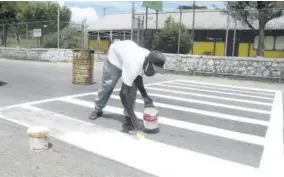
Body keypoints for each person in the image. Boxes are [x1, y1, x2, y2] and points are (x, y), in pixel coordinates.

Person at [88, 40, 166, 132]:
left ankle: (128, 117)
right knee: (108, 85)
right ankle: (98, 109)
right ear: (148, 64)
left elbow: (137, 75)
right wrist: (134, 118)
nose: (154, 73)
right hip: (115, 59)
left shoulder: (149, 58)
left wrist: (145, 96)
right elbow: (122, 94)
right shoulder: (134, 63)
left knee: (132, 89)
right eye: (154, 71)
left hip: (127, 56)